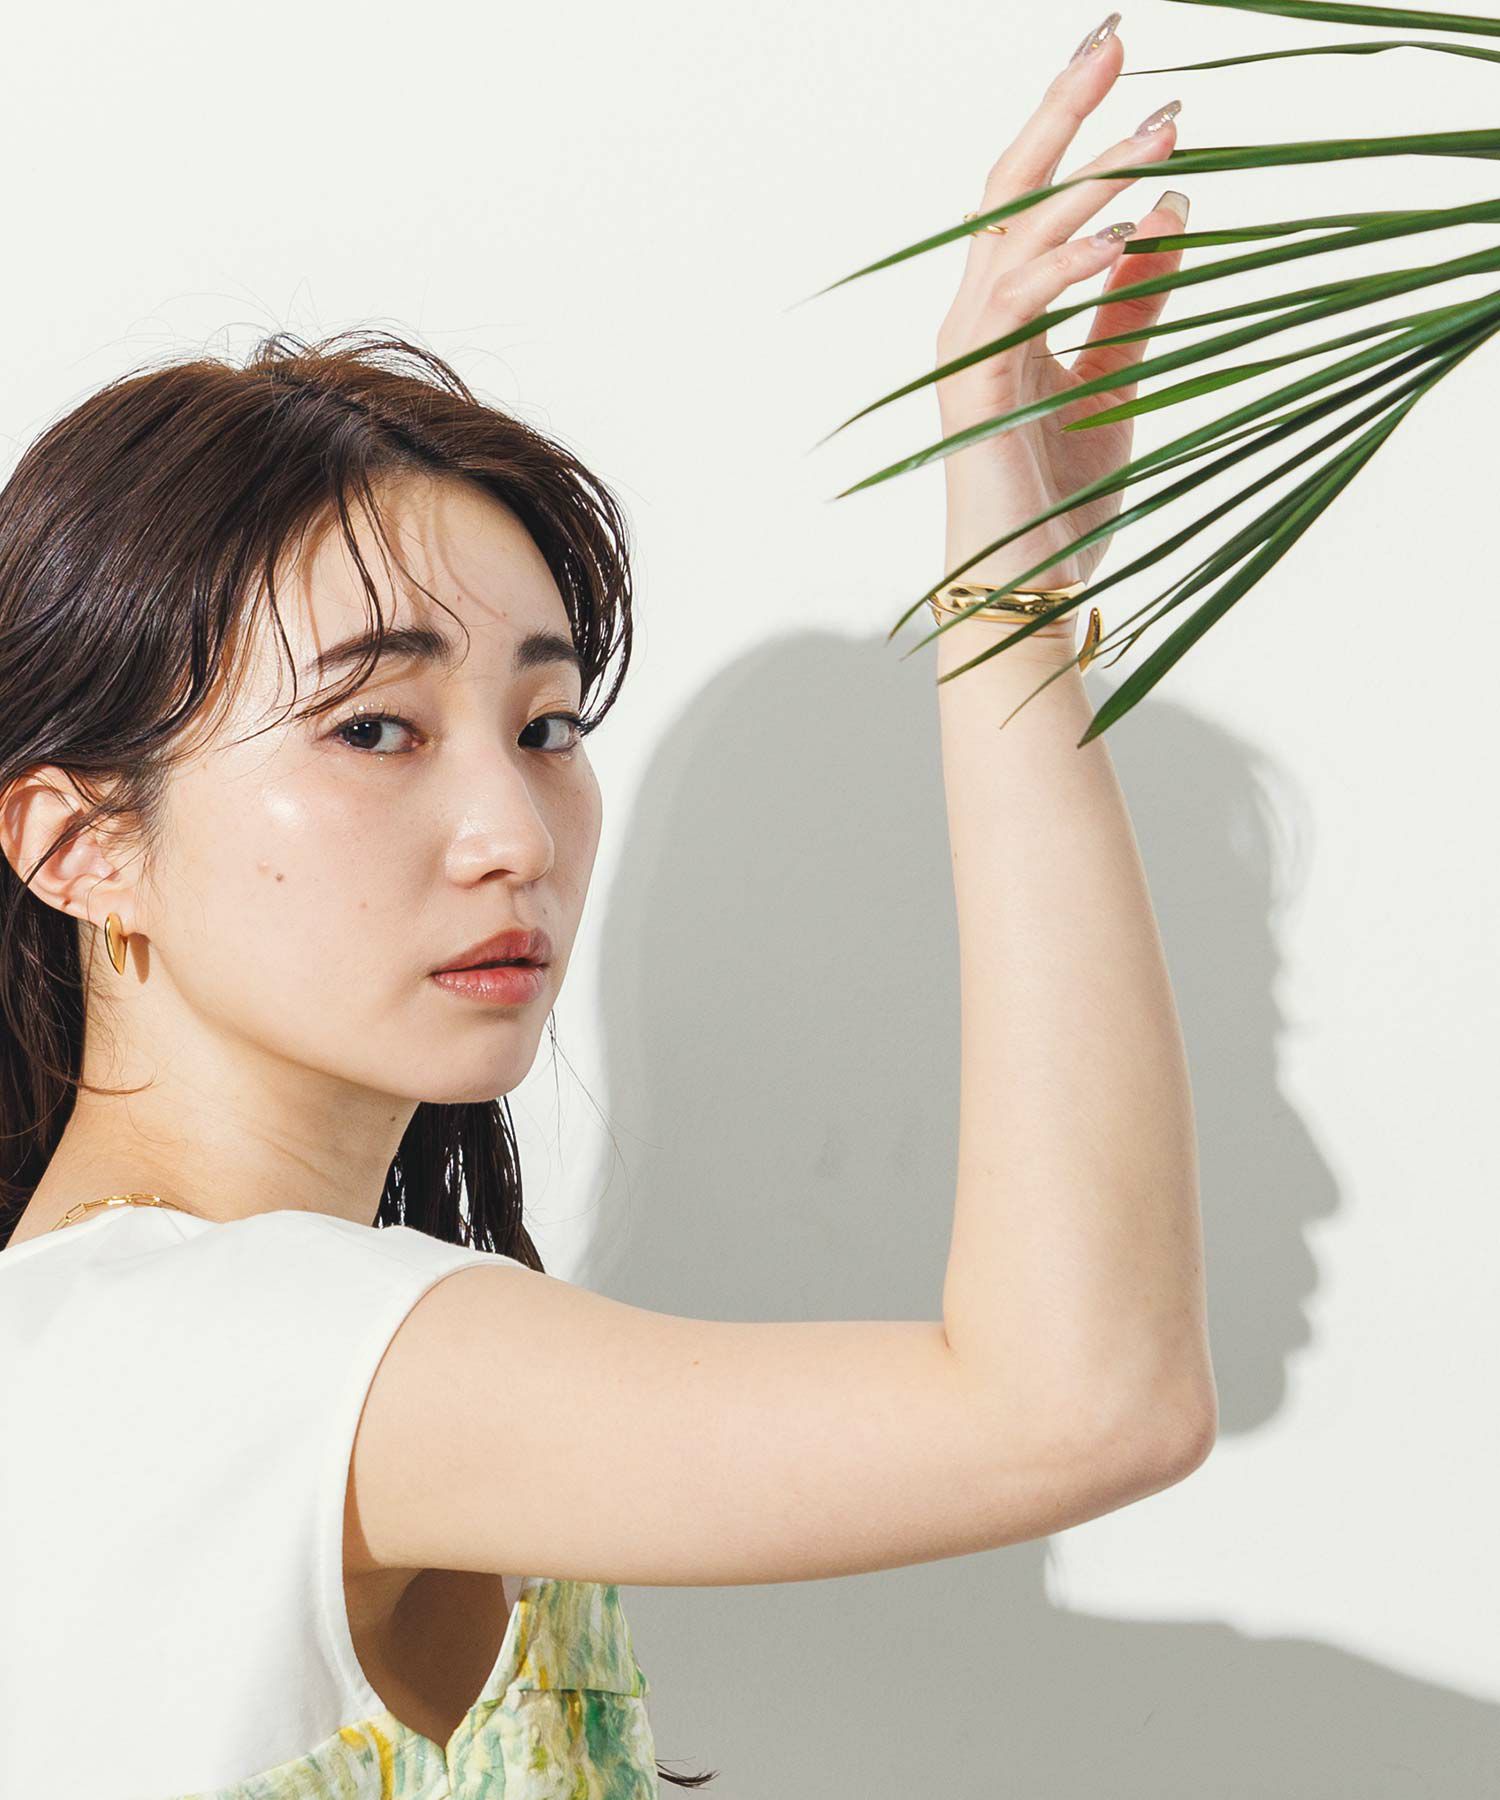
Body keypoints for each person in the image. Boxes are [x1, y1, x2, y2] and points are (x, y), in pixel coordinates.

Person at [0, 11, 1211, 1797]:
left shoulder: (139, 1338)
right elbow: (1087, 1399)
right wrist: (1008, 613)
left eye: (549, 725)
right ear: (78, 844)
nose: (514, 832)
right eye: (374, 729)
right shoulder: (245, 1345)